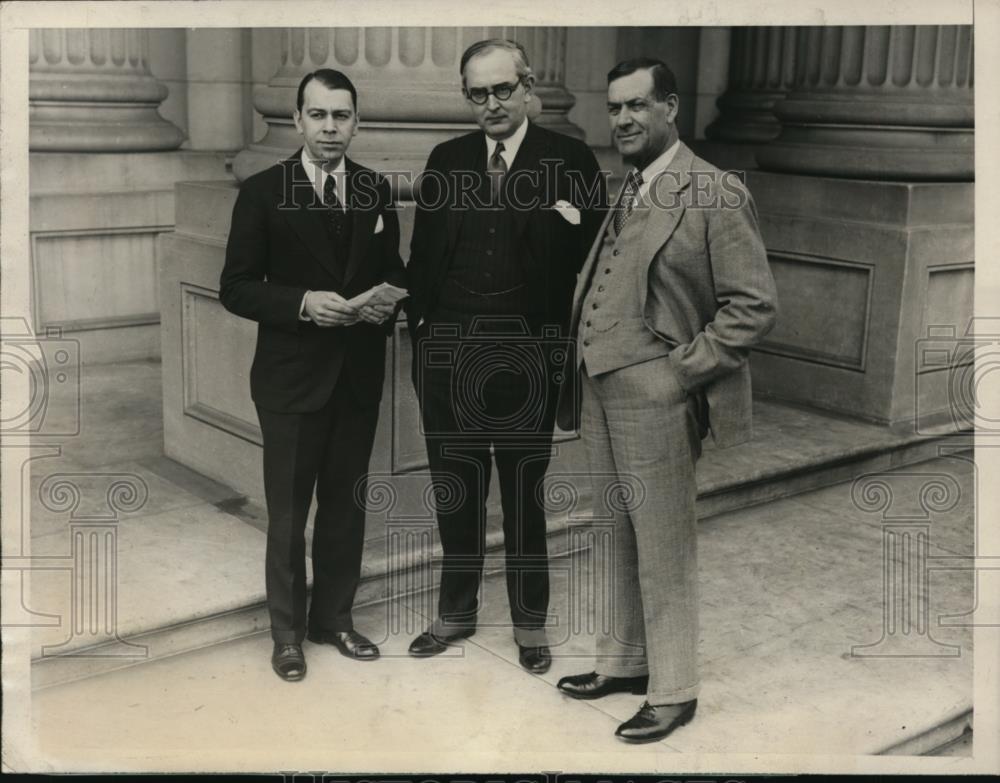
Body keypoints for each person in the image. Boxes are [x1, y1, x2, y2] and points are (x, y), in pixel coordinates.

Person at [554, 58, 778, 741]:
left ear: (671, 107)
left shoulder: (715, 192)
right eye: (614, 107)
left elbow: (753, 306)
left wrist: (680, 373)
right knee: (614, 532)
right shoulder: (628, 186)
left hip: (658, 392)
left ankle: (675, 688)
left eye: (637, 106)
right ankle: (623, 662)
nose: (621, 119)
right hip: (600, 386)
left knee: (664, 543)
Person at [405, 39, 606, 674]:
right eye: (477, 93)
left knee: (523, 492)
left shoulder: (569, 161)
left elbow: (595, 264)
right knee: (455, 490)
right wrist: (423, 333)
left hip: (527, 357)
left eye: (500, 90)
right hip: (448, 354)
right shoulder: (446, 160)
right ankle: (456, 611)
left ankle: (529, 622)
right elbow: (423, 260)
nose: (490, 103)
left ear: (526, 87)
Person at [219, 69, 405, 682]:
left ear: (357, 121)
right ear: (298, 121)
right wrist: (302, 303)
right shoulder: (263, 191)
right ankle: (287, 635)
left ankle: (334, 620)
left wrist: (389, 301)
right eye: (319, 115)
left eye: (342, 116)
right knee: (289, 513)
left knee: (346, 507)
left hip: (355, 375)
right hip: (291, 380)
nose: (331, 127)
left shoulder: (376, 191)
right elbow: (237, 287)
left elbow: (391, 266)